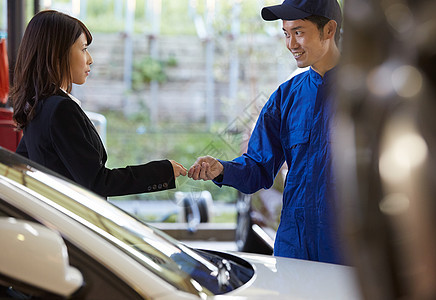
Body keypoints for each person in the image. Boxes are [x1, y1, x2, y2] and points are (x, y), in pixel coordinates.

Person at [189, 0, 343, 264]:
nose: (290, 44)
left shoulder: (366, 99)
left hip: (346, 251)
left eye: (299, 32)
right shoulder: (286, 97)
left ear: (329, 29)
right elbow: (259, 169)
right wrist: (222, 169)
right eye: (286, 33)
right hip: (293, 248)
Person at [10, 10, 187, 198]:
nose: (90, 59)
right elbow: (97, 182)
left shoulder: (39, 106)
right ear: (57, 54)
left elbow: (20, 165)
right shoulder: (61, 110)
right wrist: (162, 171)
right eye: (84, 49)